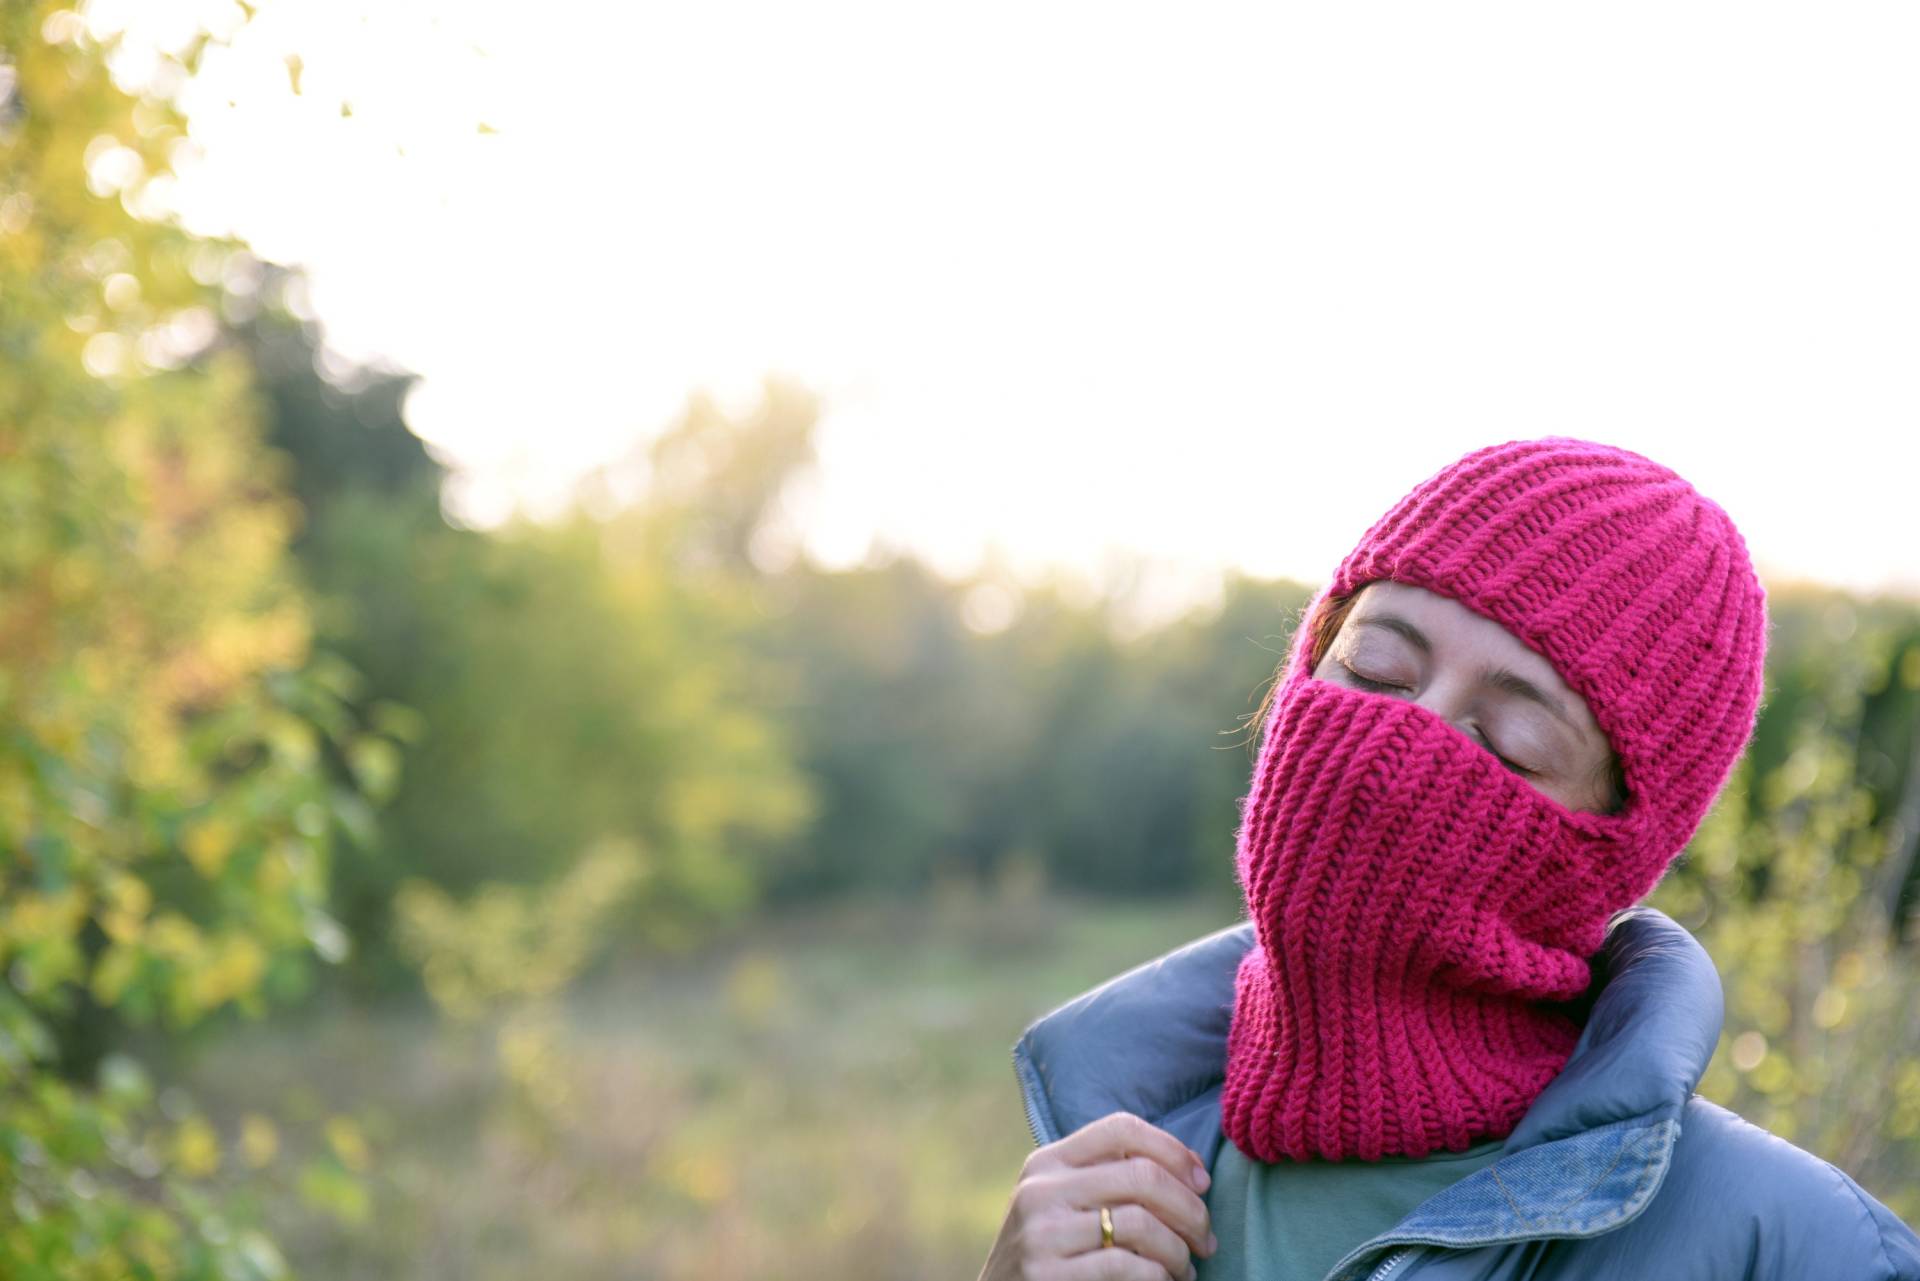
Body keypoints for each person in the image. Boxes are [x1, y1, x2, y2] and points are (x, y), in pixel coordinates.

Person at [978, 438, 1920, 1281]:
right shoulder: (1106, 1178)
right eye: (1377, 670)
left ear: (1613, 850)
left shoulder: (1791, 1251)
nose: (1395, 745)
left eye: (1508, 741)